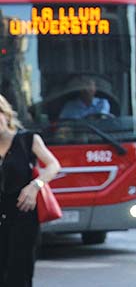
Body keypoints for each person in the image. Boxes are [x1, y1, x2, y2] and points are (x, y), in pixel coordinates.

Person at [0, 95, 60, 287]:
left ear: (6, 115)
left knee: (19, 275)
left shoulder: (27, 139)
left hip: (23, 217)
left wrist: (36, 185)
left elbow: (53, 165)